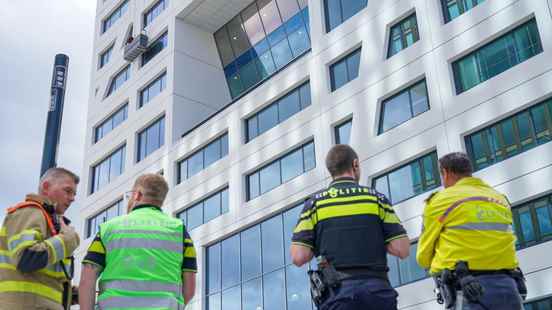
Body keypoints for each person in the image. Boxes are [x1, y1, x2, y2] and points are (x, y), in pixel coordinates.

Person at [290, 144, 410, 310]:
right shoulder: (377, 199)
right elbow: (402, 249)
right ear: (355, 164)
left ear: (330, 170)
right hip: (377, 292)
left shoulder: (314, 205)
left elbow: (298, 256)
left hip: (337, 295)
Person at [417, 152, 524, 310]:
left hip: (466, 289)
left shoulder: (439, 201)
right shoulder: (500, 199)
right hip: (509, 286)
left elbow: (423, 257)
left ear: (445, 173)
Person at [79, 173, 197, 310]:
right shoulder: (179, 231)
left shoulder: (109, 228)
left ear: (137, 195)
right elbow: (189, 288)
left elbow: (87, 279)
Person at [0, 167, 81, 310]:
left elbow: (41, 278)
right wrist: (67, 240)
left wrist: (71, 294)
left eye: (74, 194)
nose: (72, 198)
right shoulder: (30, 212)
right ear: (46, 187)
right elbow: (27, 258)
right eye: (67, 191)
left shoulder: (47, 220)